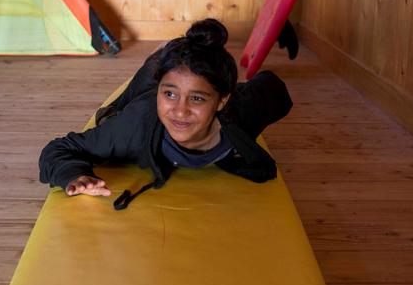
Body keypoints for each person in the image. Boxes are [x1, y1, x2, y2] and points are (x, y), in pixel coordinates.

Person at [38, 18, 292, 209]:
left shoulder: (242, 110)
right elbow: (60, 148)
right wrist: (75, 175)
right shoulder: (133, 126)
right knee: (152, 71)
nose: (180, 111)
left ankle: (175, 63)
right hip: (145, 95)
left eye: (197, 99)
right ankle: (162, 55)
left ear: (222, 100)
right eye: (170, 94)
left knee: (182, 76)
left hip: (188, 90)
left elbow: (273, 86)